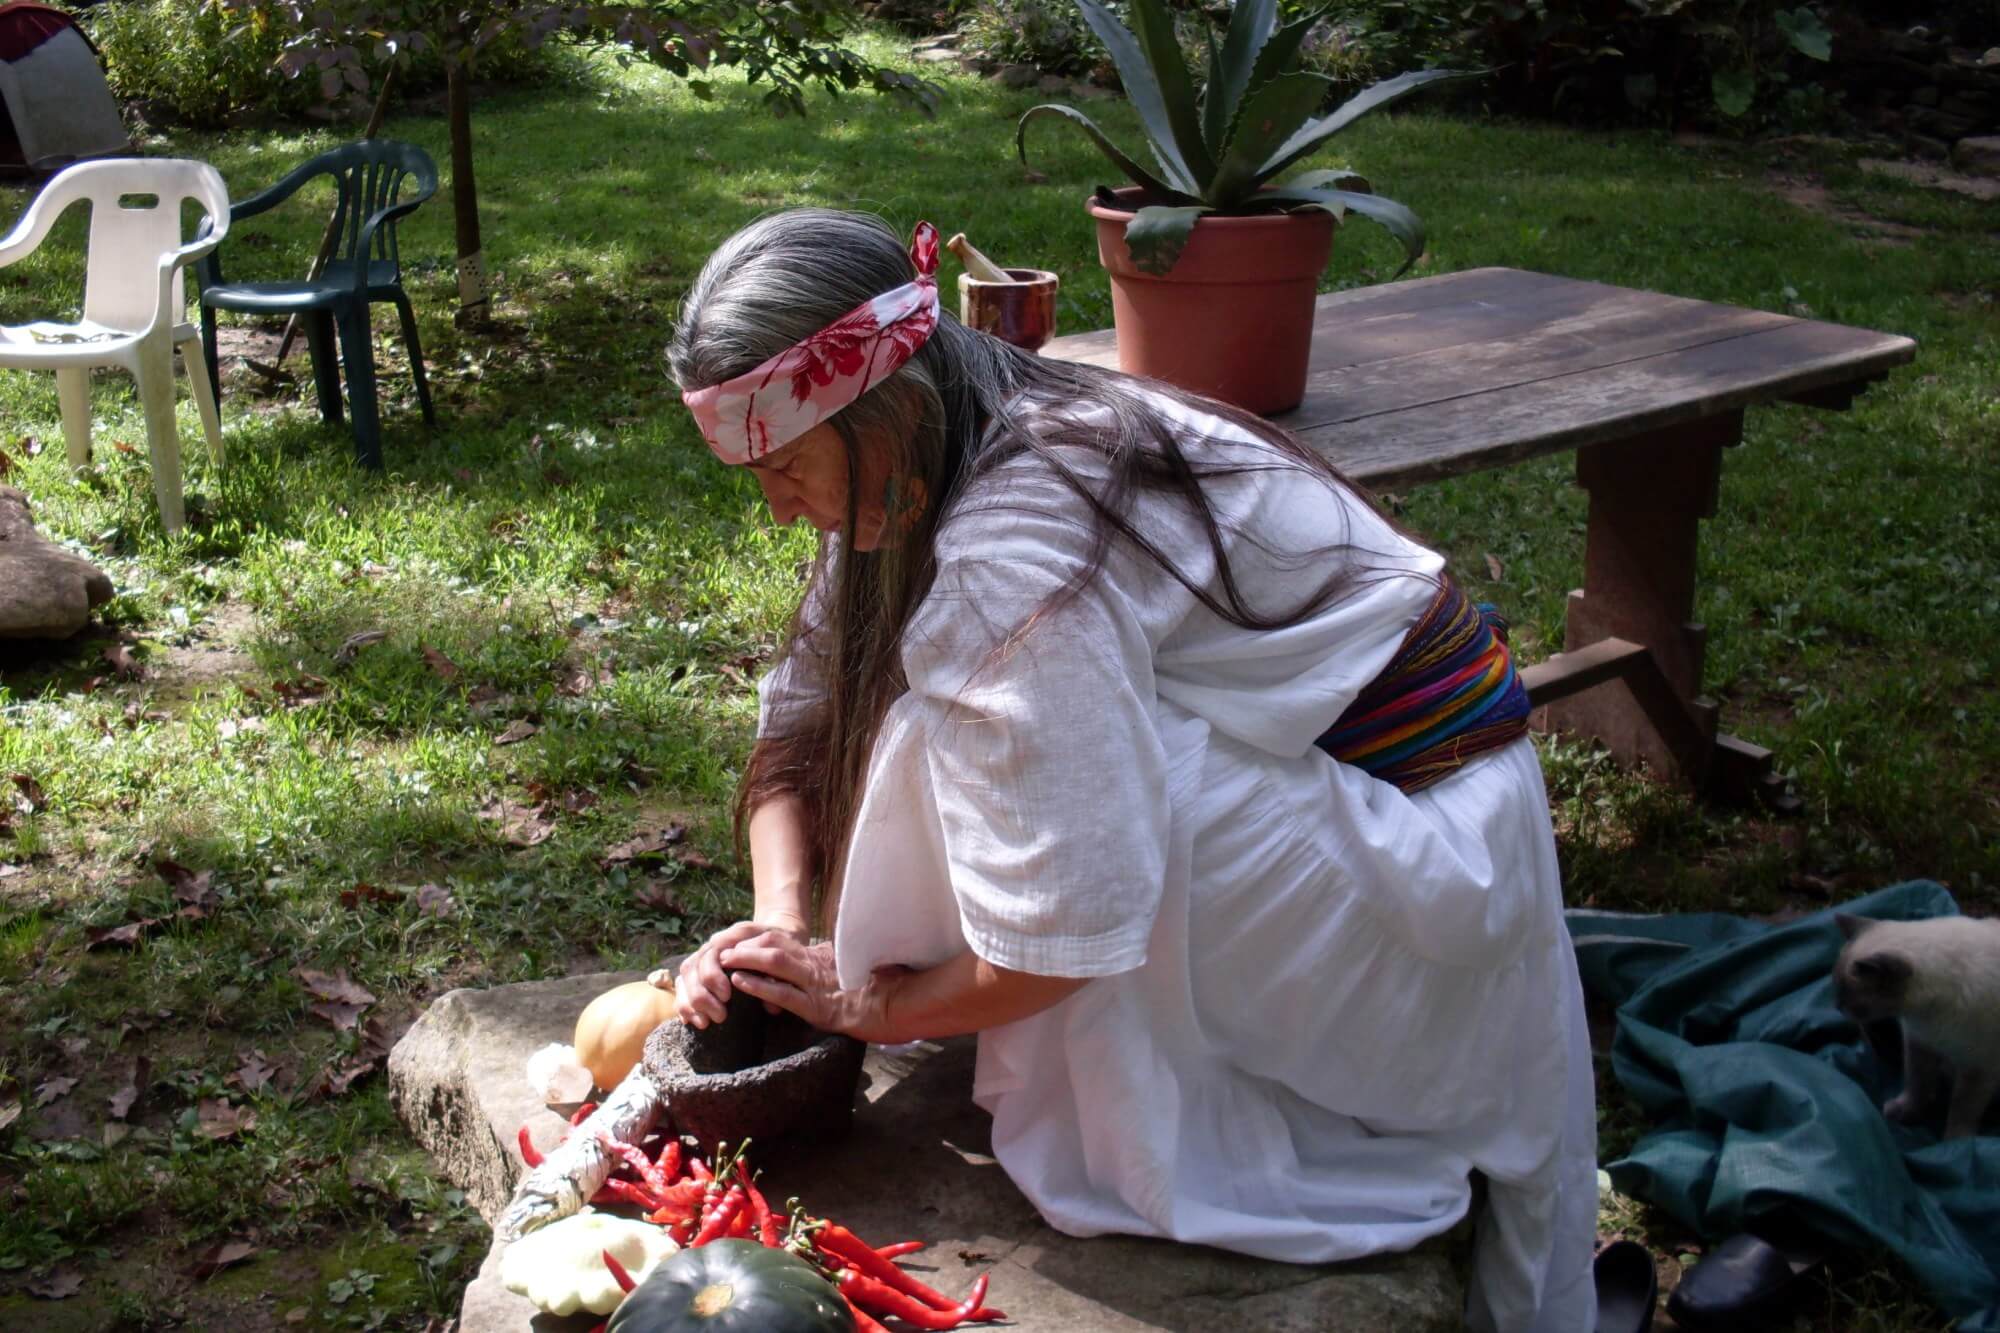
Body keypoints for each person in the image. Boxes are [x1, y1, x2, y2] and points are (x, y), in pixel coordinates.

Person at [662, 208, 1599, 1333]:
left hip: (1428, 870)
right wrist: (774, 926)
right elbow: (800, 716)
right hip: (1367, 814)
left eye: (785, 465)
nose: (776, 508)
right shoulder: (936, 443)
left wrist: (873, 1004)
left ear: (881, 406)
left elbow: (1064, 931)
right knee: (981, 726)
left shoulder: (1012, 547)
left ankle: (1177, 1110)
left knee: (946, 740)